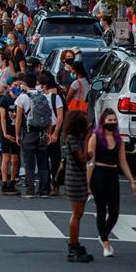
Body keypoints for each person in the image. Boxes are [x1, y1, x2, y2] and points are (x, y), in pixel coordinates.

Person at [87, 109, 136, 257]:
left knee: (115, 211)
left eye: (114, 120)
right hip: (98, 173)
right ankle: (105, 244)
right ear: (103, 121)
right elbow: (90, 162)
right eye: (109, 120)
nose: (112, 123)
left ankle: (103, 234)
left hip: (112, 174)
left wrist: (131, 181)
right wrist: (87, 183)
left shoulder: (118, 140)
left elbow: (123, 161)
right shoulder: (95, 137)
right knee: (101, 210)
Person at [60, 110, 93, 262]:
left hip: (77, 178)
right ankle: (73, 245)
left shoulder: (74, 138)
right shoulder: (73, 139)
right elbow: (83, 157)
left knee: (78, 214)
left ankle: (75, 243)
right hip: (74, 179)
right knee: (77, 214)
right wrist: (87, 139)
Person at [14, 73, 52, 198]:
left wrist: (17, 135)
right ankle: (44, 190)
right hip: (42, 133)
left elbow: (19, 119)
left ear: (24, 84)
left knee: (29, 162)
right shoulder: (43, 96)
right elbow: (49, 117)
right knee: (43, 162)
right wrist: (49, 132)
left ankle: (30, 190)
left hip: (29, 132)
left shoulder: (22, 98)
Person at [0, 76, 22, 195]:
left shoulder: (21, 99)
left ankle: (12, 182)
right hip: (6, 132)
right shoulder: (5, 99)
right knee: (6, 158)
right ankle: (4, 182)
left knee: (16, 158)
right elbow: (2, 117)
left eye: (18, 85)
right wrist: (5, 133)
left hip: (16, 131)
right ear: (9, 86)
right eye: (14, 85)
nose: (16, 87)